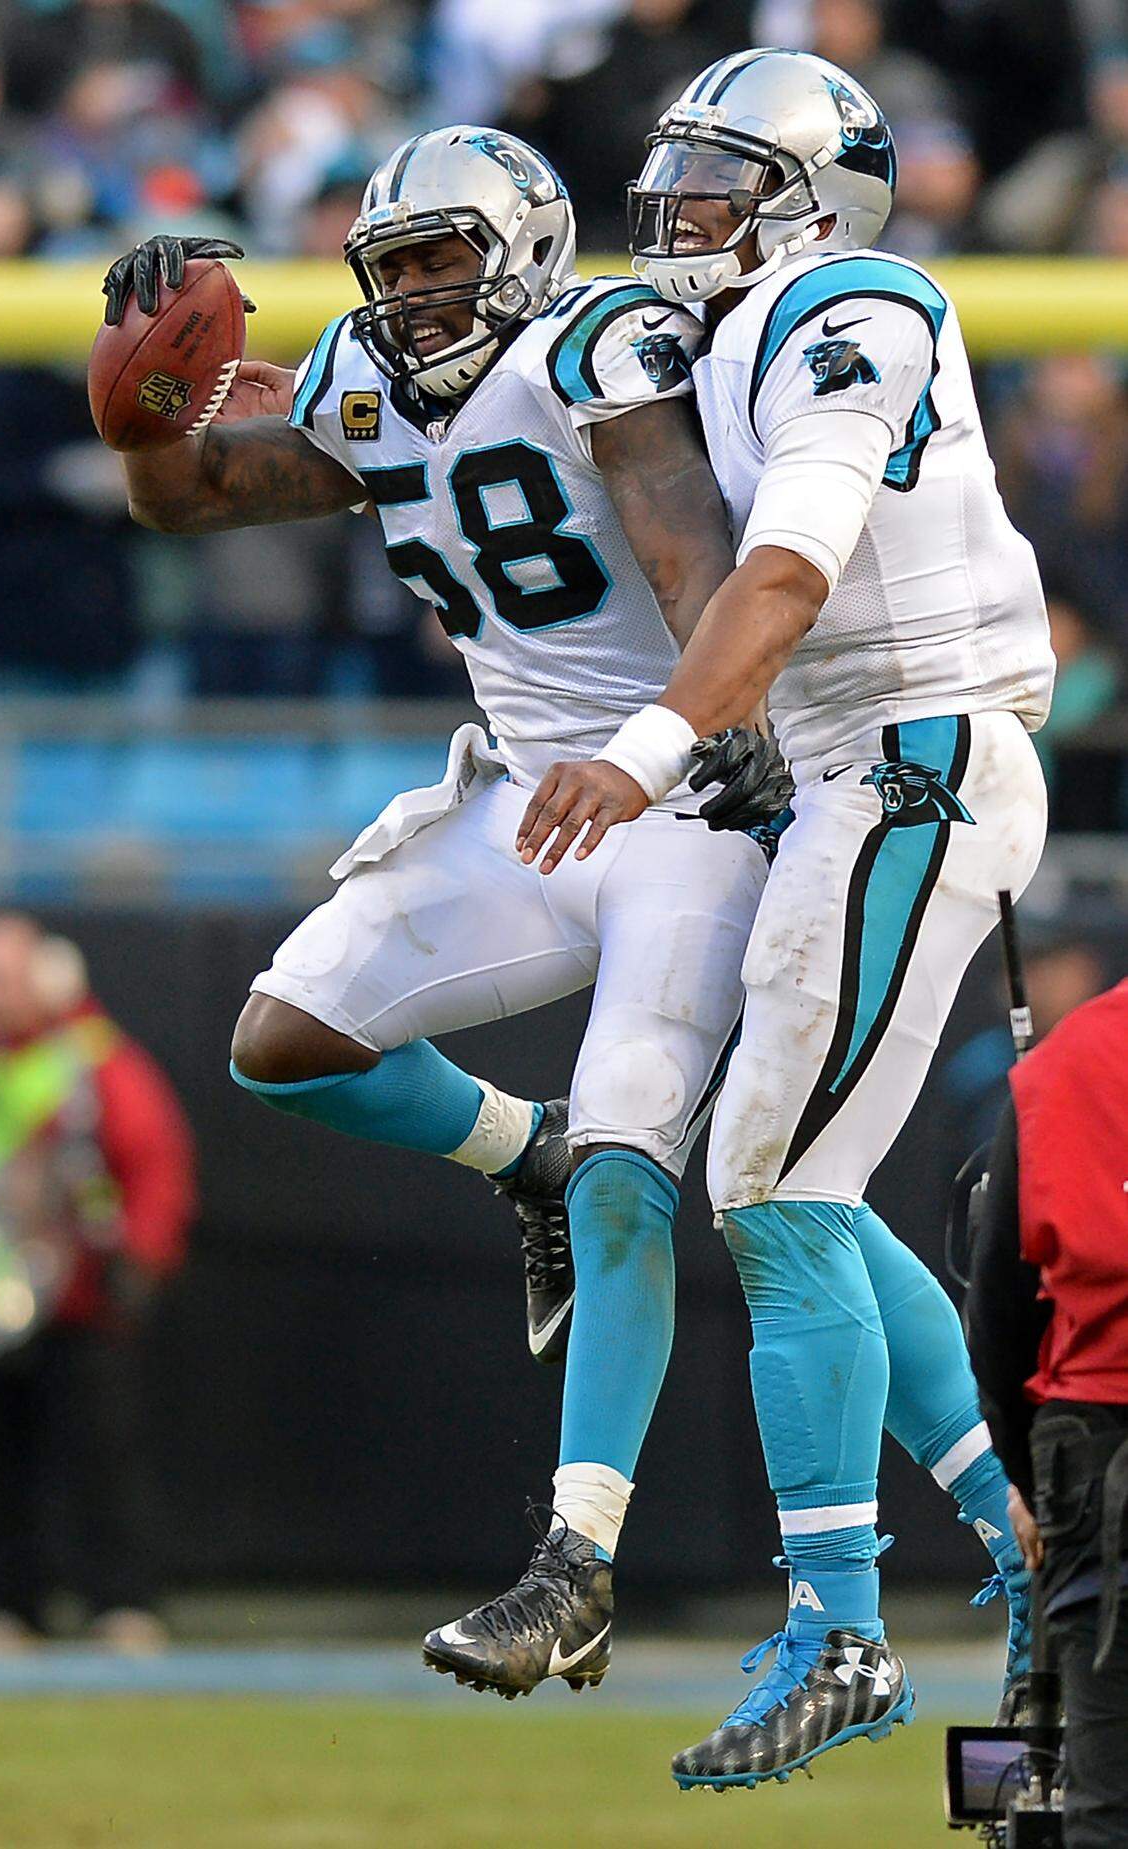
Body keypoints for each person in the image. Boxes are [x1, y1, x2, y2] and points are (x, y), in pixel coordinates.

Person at [507, 48, 1054, 1788]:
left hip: (916, 757)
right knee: (789, 1181)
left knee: (773, 1184)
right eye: (670, 171)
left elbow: (793, 565)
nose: (675, 206)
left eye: (717, 177)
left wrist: (650, 746)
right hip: (853, 769)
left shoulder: (849, 303)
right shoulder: (731, 328)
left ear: (816, 199)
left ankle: (846, 1625)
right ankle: (1027, 1549)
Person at [96, 130, 778, 1383]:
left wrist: (726, 720)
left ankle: (596, 1497)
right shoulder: (363, 377)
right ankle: (527, 1150)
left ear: (526, 247)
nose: (413, 294)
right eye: (395, 269)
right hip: (528, 795)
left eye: (440, 260)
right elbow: (186, 495)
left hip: (677, 792)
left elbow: (690, 556)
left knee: (676, 1179)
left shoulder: (595, 346)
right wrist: (146, 413)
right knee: (284, 1041)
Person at [0, 913, 195, 1648]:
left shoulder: (93, 1057)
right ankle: (7, 1605)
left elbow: (154, 1160)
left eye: (6, 978)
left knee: (103, 1454)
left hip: (83, 1297)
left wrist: (139, 1258)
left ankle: (123, 1603)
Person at [967, 979, 1128, 1849]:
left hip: (1096, 1463)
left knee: (1103, 1808)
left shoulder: (1066, 1061)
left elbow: (998, 1310)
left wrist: (1029, 1483)